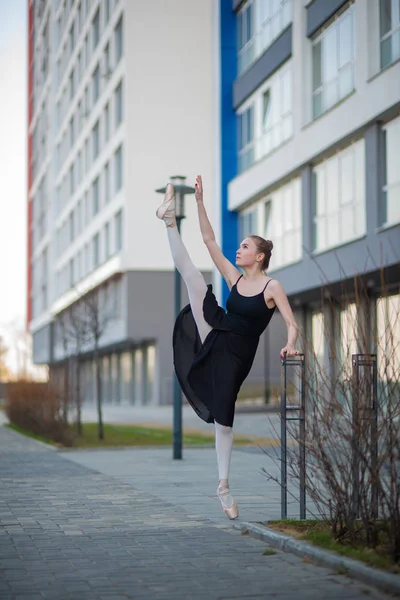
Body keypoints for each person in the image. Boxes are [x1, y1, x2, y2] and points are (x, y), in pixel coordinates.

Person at [156, 175, 299, 519]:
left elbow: (292, 323)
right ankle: (170, 220)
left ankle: (223, 486)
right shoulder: (235, 279)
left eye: (246, 247)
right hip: (218, 329)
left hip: (237, 356)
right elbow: (208, 240)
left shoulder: (272, 286)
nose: (239, 250)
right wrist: (201, 201)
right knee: (192, 276)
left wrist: (291, 345)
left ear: (261, 255)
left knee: (224, 420)